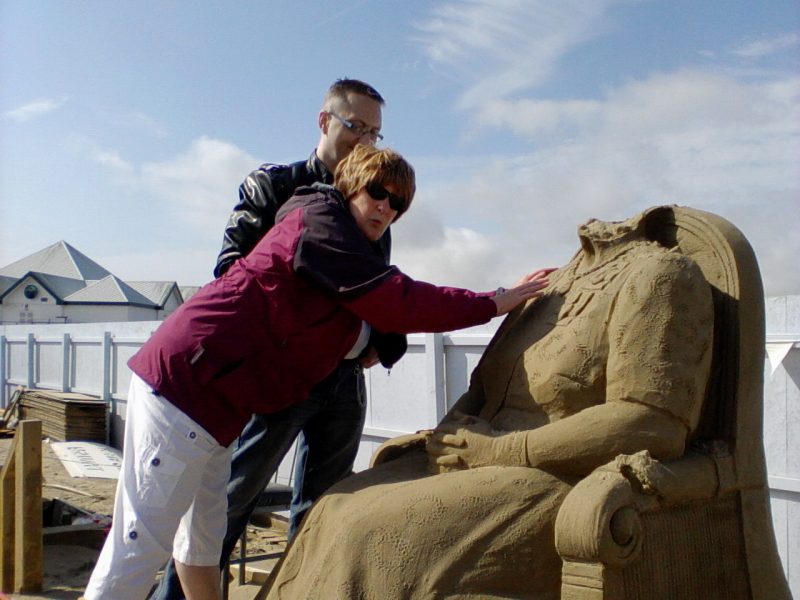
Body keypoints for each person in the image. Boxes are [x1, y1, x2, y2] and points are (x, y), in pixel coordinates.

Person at [83, 144, 551, 600]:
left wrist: (378, 341)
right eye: (377, 192)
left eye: (398, 203)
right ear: (349, 184)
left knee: (202, 537)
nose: (386, 208)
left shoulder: (338, 245)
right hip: (184, 387)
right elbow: (397, 300)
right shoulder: (323, 225)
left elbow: (366, 317)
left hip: (215, 404)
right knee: (139, 545)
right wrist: (494, 302)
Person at [264, 207, 716, 600]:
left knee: (378, 533)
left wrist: (502, 450)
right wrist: (446, 438)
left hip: (557, 472)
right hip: (483, 462)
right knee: (337, 504)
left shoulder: (658, 274)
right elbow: (481, 391)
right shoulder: (552, 287)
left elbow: (652, 420)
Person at [152, 78, 404, 600]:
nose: (366, 142)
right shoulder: (273, 185)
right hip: (274, 383)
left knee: (323, 514)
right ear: (325, 121)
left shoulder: (373, 198)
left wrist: (383, 333)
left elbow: (375, 289)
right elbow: (230, 274)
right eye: (356, 126)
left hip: (342, 382)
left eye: (376, 133)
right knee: (223, 509)